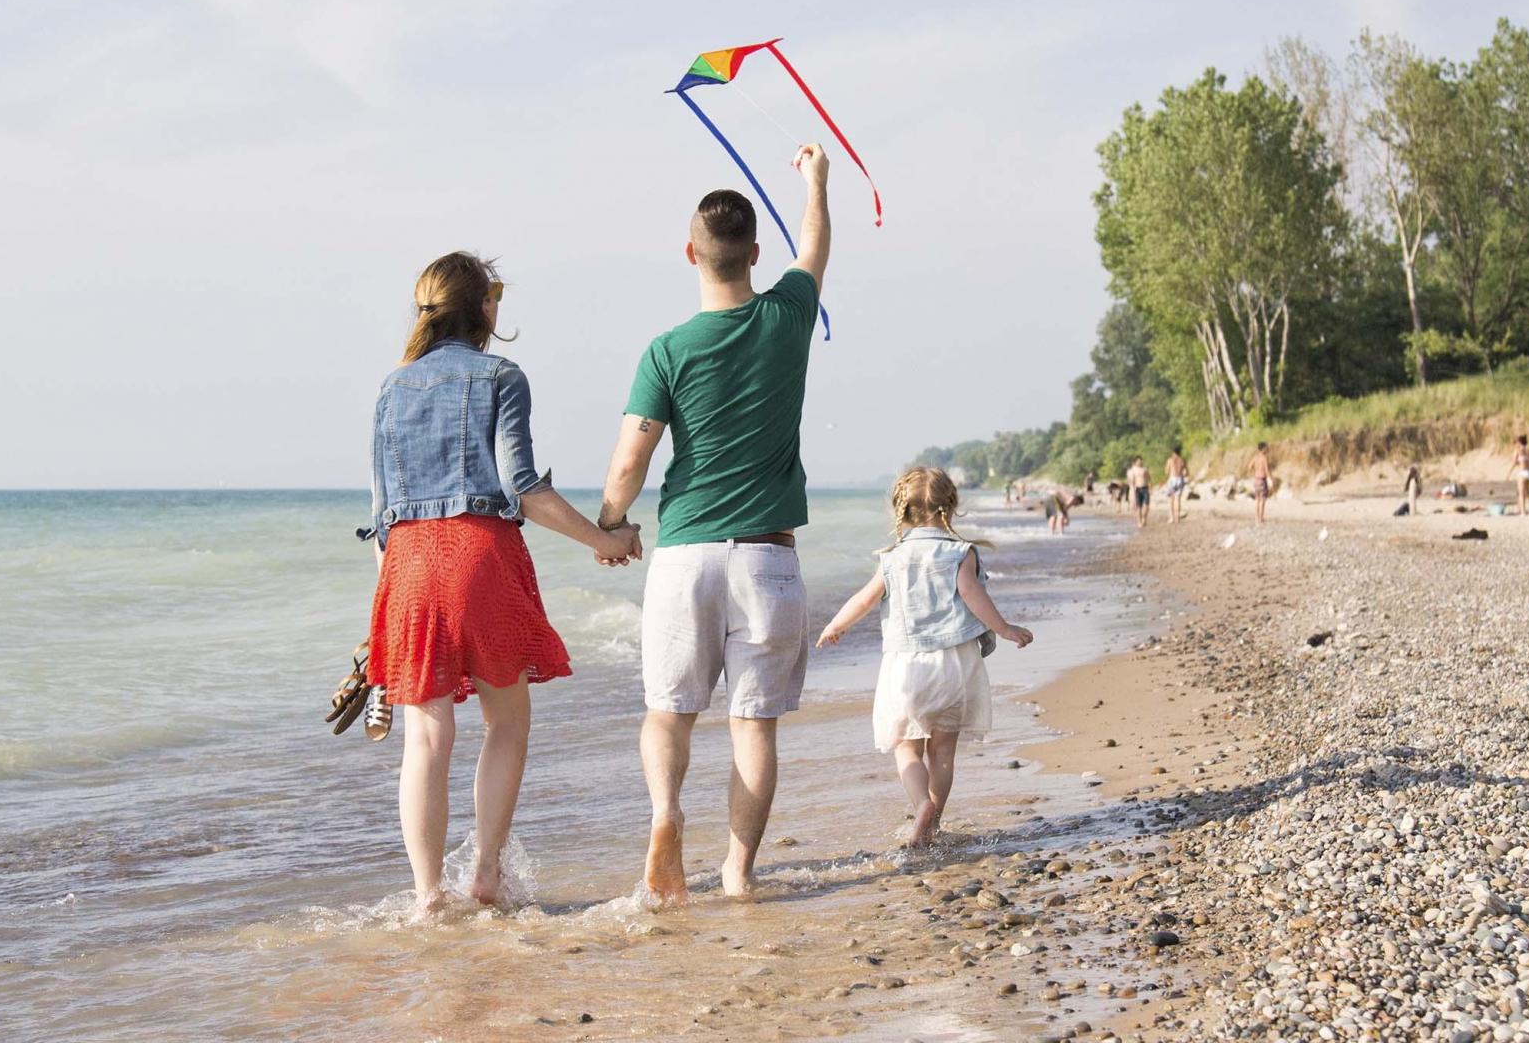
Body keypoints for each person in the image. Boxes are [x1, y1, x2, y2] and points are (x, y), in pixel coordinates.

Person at [368, 252, 639, 915]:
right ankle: (485, 873)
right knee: (507, 721)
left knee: (425, 737)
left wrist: (380, 617)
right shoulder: (500, 377)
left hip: (407, 565)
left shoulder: (390, 388)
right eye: (495, 300)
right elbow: (526, 488)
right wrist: (606, 540)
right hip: (480, 557)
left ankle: (429, 895)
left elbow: (381, 521)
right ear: (482, 308)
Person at [598, 142, 832, 905]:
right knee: (752, 726)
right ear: (756, 254)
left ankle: (667, 815)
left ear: (690, 252)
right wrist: (816, 181)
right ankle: (737, 873)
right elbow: (817, 246)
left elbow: (632, 462)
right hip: (768, 558)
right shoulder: (790, 315)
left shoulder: (667, 350)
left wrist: (611, 525)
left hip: (687, 555)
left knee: (668, 713)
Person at [816, 468, 1033, 849]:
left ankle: (921, 806)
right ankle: (935, 823)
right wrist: (1003, 627)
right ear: (950, 507)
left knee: (906, 747)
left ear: (902, 511)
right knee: (943, 750)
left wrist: (835, 625)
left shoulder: (892, 557)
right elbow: (971, 594)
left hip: (907, 667)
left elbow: (864, 599)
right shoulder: (961, 553)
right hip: (956, 664)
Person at [1511, 435, 1529, 516]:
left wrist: (1508, 473)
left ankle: (1523, 512)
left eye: (1516, 442)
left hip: (1522, 473)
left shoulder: (1518, 450)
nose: (1515, 444)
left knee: (1521, 493)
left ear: (1519, 442)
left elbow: (1513, 463)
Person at [1247, 441, 1272, 524]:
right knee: (1262, 500)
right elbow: (1266, 469)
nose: (1267, 449)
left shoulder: (1255, 457)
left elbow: (1249, 467)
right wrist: (1270, 479)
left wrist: (1255, 471)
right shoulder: (1264, 458)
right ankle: (1261, 518)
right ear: (1263, 449)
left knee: (1257, 500)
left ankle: (1256, 518)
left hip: (1256, 479)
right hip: (1262, 479)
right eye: (1266, 448)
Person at [1163, 446, 1188, 524]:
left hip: (1172, 479)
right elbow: (1186, 472)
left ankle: (1171, 517)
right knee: (1178, 499)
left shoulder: (1170, 460)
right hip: (1180, 479)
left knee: (1171, 499)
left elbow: (1166, 472)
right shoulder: (1182, 460)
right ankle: (1177, 518)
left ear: (1173, 452)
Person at [1127, 456, 1152, 528]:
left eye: (1141, 460)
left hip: (1145, 488)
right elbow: (1130, 481)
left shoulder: (1144, 469)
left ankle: (1144, 518)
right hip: (1137, 489)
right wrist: (1132, 491)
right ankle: (1139, 522)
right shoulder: (1132, 470)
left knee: (1147, 505)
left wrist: (1150, 487)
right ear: (1135, 462)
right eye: (1138, 461)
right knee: (1139, 507)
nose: (1140, 462)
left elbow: (1149, 478)